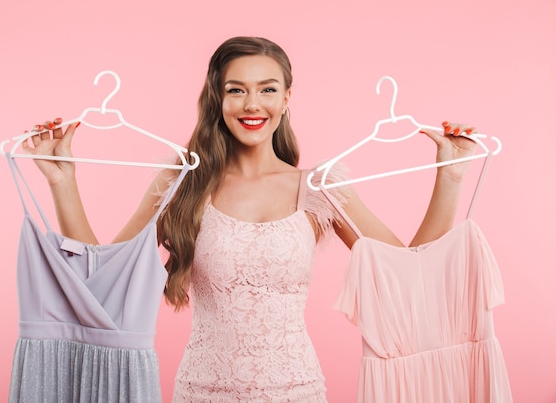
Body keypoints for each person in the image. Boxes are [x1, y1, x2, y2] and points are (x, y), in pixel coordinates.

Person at [24, 36, 478, 402]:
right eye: (236, 89)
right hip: (202, 393)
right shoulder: (183, 182)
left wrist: (450, 178)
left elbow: (408, 273)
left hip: (296, 392)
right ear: (216, 98)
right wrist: (62, 182)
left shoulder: (318, 187)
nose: (252, 104)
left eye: (267, 88)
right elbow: (106, 276)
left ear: (286, 98)